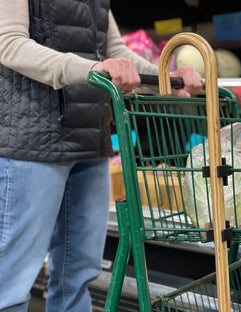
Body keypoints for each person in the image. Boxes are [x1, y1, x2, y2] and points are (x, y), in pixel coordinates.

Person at [0, 1, 203, 311]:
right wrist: (91, 69)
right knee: (12, 282)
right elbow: (10, 44)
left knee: (80, 275)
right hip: (33, 142)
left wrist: (166, 77)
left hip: (91, 140)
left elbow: (116, 52)